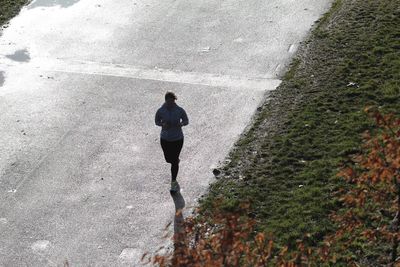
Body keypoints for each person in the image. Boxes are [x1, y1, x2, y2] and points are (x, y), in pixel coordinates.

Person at [155, 92, 189, 192]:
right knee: (168, 159)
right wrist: (162, 125)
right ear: (165, 100)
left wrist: (181, 124)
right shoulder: (161, 111)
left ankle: (173, 182)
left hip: (178, 139)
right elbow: (156, 121)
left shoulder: (179, 110)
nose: (171, 104)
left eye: (172, 102)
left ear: (174, 101)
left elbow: (186, 120)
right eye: (168, 102)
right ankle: (175, 160)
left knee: (173, 161)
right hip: (165, 139)